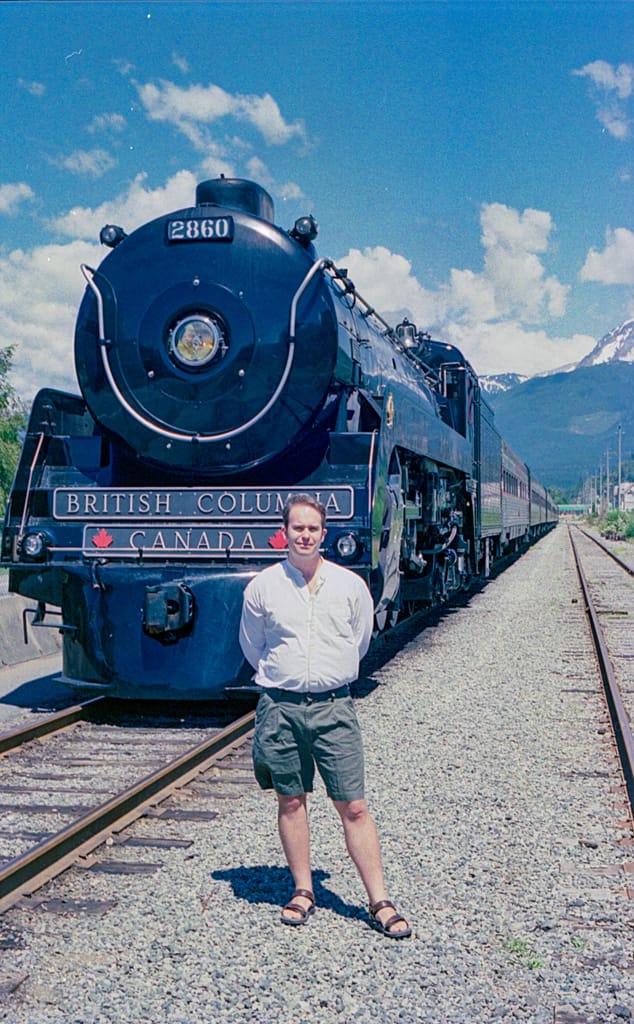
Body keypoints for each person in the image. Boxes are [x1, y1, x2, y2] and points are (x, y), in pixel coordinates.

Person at [239, 493, 411, 939]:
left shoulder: (350, 586)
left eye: (312, 528)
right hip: (280, 707)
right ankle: (303, 890)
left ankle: (379, 900)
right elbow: (253, 646)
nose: (305, 535)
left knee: (354, 804)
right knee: (290, 800)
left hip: (335, 706)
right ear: (284, 532)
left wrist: (324, 674)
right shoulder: (262, 587)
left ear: (323, 534)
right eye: (297, 528)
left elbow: (359, 641)